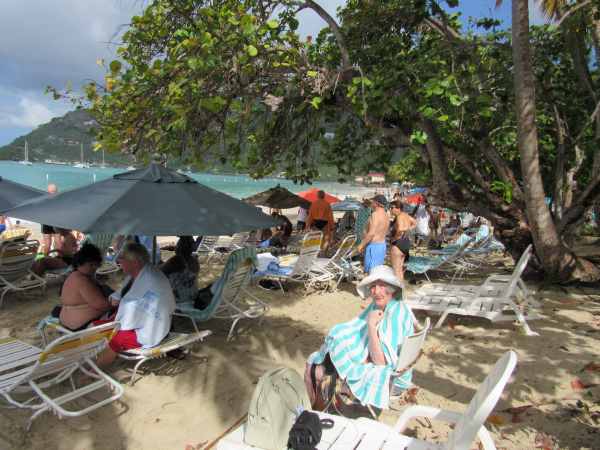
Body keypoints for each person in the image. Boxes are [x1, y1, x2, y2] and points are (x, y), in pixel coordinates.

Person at [304, 265, 414, 410]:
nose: (376, 291)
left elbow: (381, 362)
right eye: (373, 286)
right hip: (394, 371)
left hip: (391, 380)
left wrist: (371, 324)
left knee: (314, 370)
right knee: (318, 363)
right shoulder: (391, 306)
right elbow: (356, 328)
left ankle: (315, 411)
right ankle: (317, 409)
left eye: (382, 285)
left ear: (392, 288)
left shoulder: (395, 315)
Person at [96, 242, 175, 367]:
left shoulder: (149, 278)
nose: (119, 261)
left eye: (122, 258)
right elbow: (124, 294)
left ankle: (93, 370)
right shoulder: (138, 274)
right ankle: (95, 355)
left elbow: (132, 308)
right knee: (99, 326)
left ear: (135, 262)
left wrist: (118, 303)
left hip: (150, 329)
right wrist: (116, 299)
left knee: (117, 339)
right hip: (145, 322)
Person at [59, 243, 114, 331]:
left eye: (96, 265)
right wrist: (115, 302)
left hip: (67, 323)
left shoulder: (73, 275)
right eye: (91, 265)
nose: (94, 268)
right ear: (80, 263)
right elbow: (102, 305)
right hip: (82, 326)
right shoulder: (82, 280)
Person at [160, 236, 200, 303]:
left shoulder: (176, 260)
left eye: (178, 243)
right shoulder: (194, 260)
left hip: (178, 299)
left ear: (179, 247)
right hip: (192, 296)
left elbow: (159, 272)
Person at [357, 195, 389, 274]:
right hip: (382, 245)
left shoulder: (375, 214)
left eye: (372, 202)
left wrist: (361, 245)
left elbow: (371, 233)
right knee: (377, 272)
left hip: (374, 246)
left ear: (376, 203)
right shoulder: (386, 215)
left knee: (371, 273)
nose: (371, 204)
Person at [389, 200, 417, 281]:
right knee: (400, 270)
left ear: (398, 208)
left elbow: (400, 229)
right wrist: (408, 229)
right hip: (405, 242)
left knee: (396, 271)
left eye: (392, 207)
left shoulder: (399, 217)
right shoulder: (406, 215)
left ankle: (397, 288)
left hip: (397, 243)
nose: (390, 209)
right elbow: (415, 223)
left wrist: (395, 238)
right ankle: (401, 286)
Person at [40, 183, 58, 256]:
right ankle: (42, 259)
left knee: (57, 243)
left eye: (53, 191)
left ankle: (54, 258)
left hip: (54, 222)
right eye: (49, 192)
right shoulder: (44, 200)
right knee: (48, 244)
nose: (51, 193)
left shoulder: (44, 199)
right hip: (48, 222)